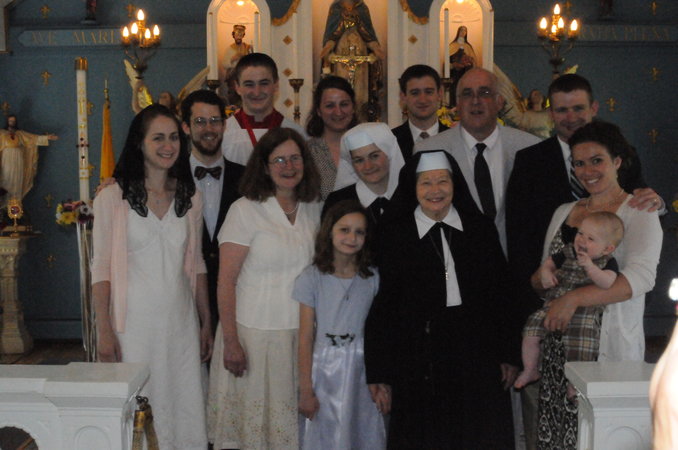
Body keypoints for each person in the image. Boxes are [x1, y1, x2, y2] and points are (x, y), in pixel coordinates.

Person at [505, 74, 662, 450]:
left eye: (597, 161)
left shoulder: (638, 211)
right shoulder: (564, 211)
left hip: (605, 352)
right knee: (554, 439)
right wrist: (542, 281)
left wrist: (572, 299)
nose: (588, 171)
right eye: (579, 164)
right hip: (555, 351)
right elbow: (541, 278)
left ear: (617, 162)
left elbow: (638, 280)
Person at [365, 150, 520, 448]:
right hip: (417, 357)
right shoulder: (393, 234)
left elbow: (502, 295)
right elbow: (383, 306)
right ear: (413, 188)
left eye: (442, 181)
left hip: (477, 354)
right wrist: (379, 371)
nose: (435, 190)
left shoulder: (479, 228)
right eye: (426, 183)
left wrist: (509, 353)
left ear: (454, 184)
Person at [92, 104, 212, 449]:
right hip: (133, 328)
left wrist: (206, 321)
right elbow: (101, 268)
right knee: (140, 408)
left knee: (181, 407)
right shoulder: (112, 197)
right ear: (139, 143)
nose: (168, 145)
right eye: (158, 138)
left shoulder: (191, 198)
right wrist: (104, 330)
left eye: (174, 137)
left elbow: (197, 264)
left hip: (180, 324)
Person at [207, 128, 322, 449]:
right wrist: (231, 342)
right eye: (279, 160)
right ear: (265, 166)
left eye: (295, 158)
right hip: (252, 337)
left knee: (291, 433)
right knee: (252, 432)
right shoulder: (244, 210)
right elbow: (226, 281)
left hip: (300, 335)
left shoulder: (313, 207)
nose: (289, 166)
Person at [415, 67, 541, 254]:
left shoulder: (529, 147)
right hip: (458, 260)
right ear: (457, 104)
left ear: (499, 102)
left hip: (519, 261)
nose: (475, 101)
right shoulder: (429, 150)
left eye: (485, 93)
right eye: (467, 94)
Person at [295, 200, 387, 449]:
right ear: (329, 231)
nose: (352, 238)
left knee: (360, 431)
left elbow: (380, 332)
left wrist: (381, 379)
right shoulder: (312, 277)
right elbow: (305, 337)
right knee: (325, 433)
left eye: (359, 232)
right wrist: (306, 390)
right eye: (344, 230)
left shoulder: (373, 278)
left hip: (362, 369)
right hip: (324, 370)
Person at [514, 211, 624, 391]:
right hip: (554, 304)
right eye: (580, 233)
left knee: (581, 347)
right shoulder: (568, 252)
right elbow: (549, 262)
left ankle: (575, 384)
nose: (581, 240)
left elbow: (608, 283)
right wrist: (546, 272)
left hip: (585, 312)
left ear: (607, 249)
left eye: (590, 238)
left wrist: (590, 267)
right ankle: (530, 369)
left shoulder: (608, 262)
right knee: (531, 330)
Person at [181, 89, 244, 333]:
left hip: (236, 296)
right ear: (186, 127)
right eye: (200, 121)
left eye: (215, 121)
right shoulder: (169, 179)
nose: (209, 128)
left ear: (224, 125)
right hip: (184, 296)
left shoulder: (247, 178)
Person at [221, 53, 306, 166]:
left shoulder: (297, 134)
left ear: (276, 85)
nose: (257, 92)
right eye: (249, 84)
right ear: (237, 87)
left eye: (264, 83)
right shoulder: (222, 134)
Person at [323, 122, 405, 235]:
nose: (368, 166)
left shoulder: (408, 198)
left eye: (374, 156)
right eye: (359, 160)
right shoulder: (337, 201)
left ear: (389, 154)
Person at [320, 0, 385, 111]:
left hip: (360, 50)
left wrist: (375, 47)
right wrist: (328, 46)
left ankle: (360, 112)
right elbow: (331, 33)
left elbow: (368, 33)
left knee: (360, 85)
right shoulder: (336, 8)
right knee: (342, 82)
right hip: (342, 50)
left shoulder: (362, 8)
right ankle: (342, 109)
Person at [306, 75, 359, 199]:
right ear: (318, 111)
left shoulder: (368, 147)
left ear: (353, 107)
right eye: (330, 106)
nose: (338, 112)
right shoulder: (306, 152)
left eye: (344, 104)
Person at [391, 64, 447, 160]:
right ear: (403, 96)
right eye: (415, 93)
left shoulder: (457, 140)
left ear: (440, 94)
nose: (422, 100)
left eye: (428, 92)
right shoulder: (391, 141)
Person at [0, 114, 58, 206]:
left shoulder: (20, 134)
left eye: (13, 121)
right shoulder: (2, 133)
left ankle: (16, 206)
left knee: (17, 180)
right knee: (6, 179)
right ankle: (4, 206)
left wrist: (47, 137)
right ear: (7, 122)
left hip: (18, 159)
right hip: (6, 159)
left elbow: (33, 139)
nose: (12, 123)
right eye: (10, 121)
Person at [448, 26, 476, 105]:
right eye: (461, 31)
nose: (463, 32)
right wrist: (454, 64)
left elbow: (473, 60)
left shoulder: (468, 47)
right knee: (455, 88)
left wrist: (468, 62)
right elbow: (447, 60)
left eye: (465, 31)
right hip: (455, 73)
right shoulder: (452, 45)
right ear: (458, 32)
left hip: (465, 72)